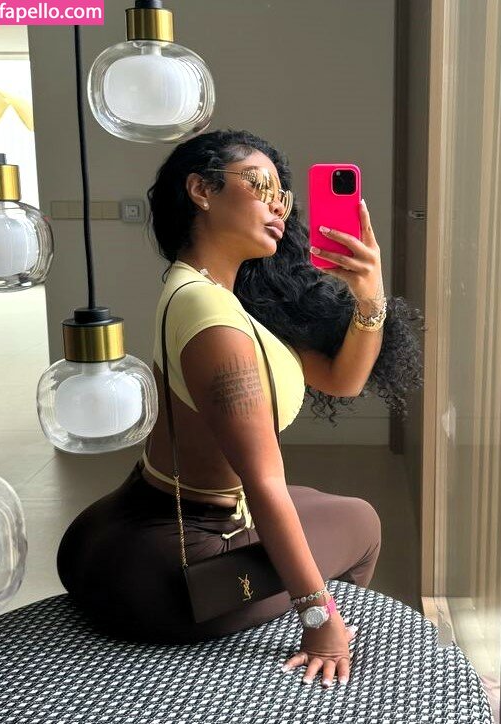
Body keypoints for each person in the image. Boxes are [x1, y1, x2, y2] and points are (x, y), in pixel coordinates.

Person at [57, 128, 424, 689]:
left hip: (125, 527)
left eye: (284, 196)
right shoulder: (215, 320)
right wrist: (318, 620)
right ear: (202, 190)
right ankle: (297, 678)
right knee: (361, 521)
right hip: (169, 571)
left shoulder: (210, 294)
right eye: (261, 186)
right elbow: (263, 483)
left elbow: (342, 380)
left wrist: (369, 297)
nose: (279, 207)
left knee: (319, 502)